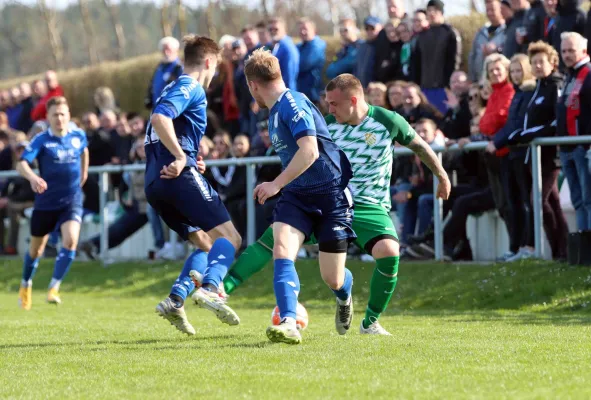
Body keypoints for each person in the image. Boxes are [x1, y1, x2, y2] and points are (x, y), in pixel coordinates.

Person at [195, 73, 450, 337]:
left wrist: (441, 176)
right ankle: (222, 288)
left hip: (369, 205)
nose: (329, 109)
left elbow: (420, 146)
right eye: (327, 103)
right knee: (276, 243)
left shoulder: (387, 120)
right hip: (329, 200)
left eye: (334, 104)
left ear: (353, 100)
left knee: (389, 253)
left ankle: (370, 322)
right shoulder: (326, 125)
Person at [241, 50, 357, 345]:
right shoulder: (275, 110)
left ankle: (345, 297)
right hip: (297, 196)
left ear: (252, 84)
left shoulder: (292, 104)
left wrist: (275, 184)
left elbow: (310, 151)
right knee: (282, 249)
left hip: (330, 195)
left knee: (333, 278)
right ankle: (289, 321)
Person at [146, 35, 242, 336]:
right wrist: (179, 157)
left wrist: (187, 155)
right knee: (232, 238)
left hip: (155, 183)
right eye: (216, 68)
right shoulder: (190, 86)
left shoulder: (171, 86)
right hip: (177, 178)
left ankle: (176, 299)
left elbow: (158, 130)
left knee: (205, 242)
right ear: (210, 62)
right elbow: (160, 118)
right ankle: (212, 288)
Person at [16, 96, 89, 310]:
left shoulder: (78, 135)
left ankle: (53, 288)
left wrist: (83, 173)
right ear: (47, 117)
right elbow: (22, 163)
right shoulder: (41, 140)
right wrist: (33, 178)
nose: (59, 118)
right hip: (46, 204)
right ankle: (25, 283)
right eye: (55, 115)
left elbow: (84, 151)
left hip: (71, 200)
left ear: (68, 115)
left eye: (63, 114)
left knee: (70, 241)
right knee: (35, 251)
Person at [512, 40, 569, 259]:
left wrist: (532, 133)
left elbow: (556, 121)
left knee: (539, 201)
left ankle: (559, 250)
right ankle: (562, 252)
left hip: (550, 155)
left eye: (541, 62)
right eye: (533, 62)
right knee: (551, 202)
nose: (537, 66)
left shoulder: (556, 84)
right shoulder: (539, 86)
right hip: (535, 156)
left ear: (552, 63)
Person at [491, 53, 537, 261]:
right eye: (514, 71)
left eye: (519, 70)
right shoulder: (519, 92)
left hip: (524, 153)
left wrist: (497, 142)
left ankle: (528, 246)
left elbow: (516, 125)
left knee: (528, 202)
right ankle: (517, 247)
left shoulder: (528, 92)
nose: (516, 75)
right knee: (515, 202)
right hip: (513, 153)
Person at [556, 32, 591, 231]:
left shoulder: (588, 74)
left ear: (583, 51)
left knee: (588, 199)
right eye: (564, 51)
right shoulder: (569, 76)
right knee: (578, 201)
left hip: (583, 148)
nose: (567, 55)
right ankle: (583, 249)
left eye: (571, 50)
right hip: (567, 147)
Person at [412, 0, 462, 114]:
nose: (431, 13)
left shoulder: (450, 33)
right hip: (424, 88)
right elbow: (416, 63)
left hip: (443, 88)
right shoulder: (422, 35)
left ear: (441, 12)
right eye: (429, 10)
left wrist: (449, 85)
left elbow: (454, 61)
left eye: (435, 10)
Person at [469, 0, 507, 83]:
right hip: (481, 82)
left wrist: (496, 51)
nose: (489, 13)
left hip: (501, 81)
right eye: (487, 10)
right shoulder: (480, 33)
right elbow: (472, 56)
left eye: (492, 10)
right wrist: (472, 79)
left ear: (501, 9)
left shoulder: (507, 31)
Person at [145, 37, 183, 110]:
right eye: (164, 50)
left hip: (172, 110)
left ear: (176, 50)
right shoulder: (160, 67)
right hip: (157, 108)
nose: (166, 52)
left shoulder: (179, 68)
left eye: (168, 49)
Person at [296, 18, 327, 104]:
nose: (302, 32)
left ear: (314, 30)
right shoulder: (300, 46)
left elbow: (303, 64)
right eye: (300, 29)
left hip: (313, 94)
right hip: (302, 93)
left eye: (305, 29)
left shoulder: (317, 46)